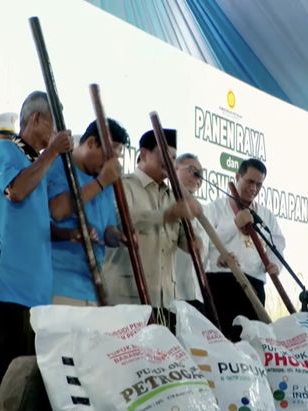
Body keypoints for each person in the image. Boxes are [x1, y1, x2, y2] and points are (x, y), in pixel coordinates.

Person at [0, 91, 72, 411]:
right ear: (36, 121)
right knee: (0, 371)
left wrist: (72, 237)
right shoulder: (4, 151)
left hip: (34, 290)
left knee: (27, 376)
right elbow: (15, 191)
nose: (55, 132)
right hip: (6, 282)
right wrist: (51, 153)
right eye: (51, 123)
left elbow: (36, 218)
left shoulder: (35, 163)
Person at [103, 129, 199, 308]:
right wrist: (166, 215)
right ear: (144, 154)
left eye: (173, 158)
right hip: (127, 298)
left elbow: (182, 240)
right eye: (166, 155)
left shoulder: (172, 196)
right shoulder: (122, 185)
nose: (170, 162)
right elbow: (120, 219)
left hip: (165, 300)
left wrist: (193, 243)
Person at [49, 119, 128, 306]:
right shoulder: (57, 166)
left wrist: (117, 236)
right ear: (91, 143)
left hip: (93, 288)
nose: (112, 164)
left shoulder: (104, 179)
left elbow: (107, 228)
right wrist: (101, 181)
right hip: (59, 286)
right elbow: (57, 211)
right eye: (109, 156)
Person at [205, 158, 284, 339]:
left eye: (259, 184)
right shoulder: (215, 209)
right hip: (221, 284)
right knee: (223, 341)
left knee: (253, 343)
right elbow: (206, 241)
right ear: (238, 176)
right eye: (250, 181)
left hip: (254, 285)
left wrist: (274, 265)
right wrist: (235, 224)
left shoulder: (265, 215)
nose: (253, 188)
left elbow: (278, 244)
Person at [173, 153, 209, 313]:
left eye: (200, 174)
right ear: (174, 169)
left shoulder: (205, 212)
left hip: (197, 294)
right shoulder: (163, 200)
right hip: (171, 295)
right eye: (192, 170)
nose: (197, 177)